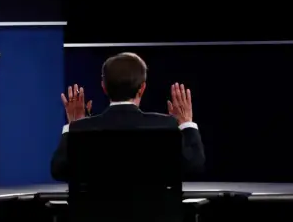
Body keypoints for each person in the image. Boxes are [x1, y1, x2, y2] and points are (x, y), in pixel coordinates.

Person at [50, 52, 205, 181]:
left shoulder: (83, 129)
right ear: (142, 88)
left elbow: (59, 170)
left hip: (99, 218)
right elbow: (194, 167)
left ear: (104, 87)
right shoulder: (167, 125)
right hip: (154, 218)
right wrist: (186, 124)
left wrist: (75, 126)